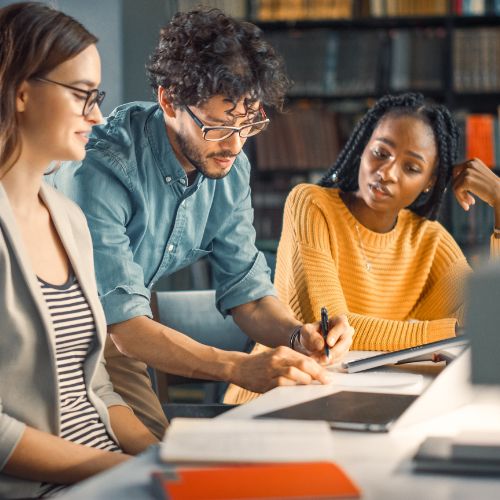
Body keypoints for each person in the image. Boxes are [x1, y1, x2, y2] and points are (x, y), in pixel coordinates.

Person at [50, 7, 354, 439]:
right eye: (216, 127)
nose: (234, 145)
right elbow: (125, 330)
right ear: (169, 99)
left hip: (121, 329)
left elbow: (248, 297)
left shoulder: (230, 166)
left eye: (248, 124)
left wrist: (296, 336)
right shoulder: (102, 168)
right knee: (148, 459)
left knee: (161, 452)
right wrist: (240, 368)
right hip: (65, 336)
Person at [225, 92, 500, 404]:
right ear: (363, 145)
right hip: (278, 397)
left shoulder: (430, 240)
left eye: (411, 168)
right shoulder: (311, 205)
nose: (387, 173)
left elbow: (490, 322)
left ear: (429, 181)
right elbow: (330, 334)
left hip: (363, 399)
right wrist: (452, 331)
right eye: (381, 152)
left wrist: (499, 202)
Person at [0, 3, 158, 498]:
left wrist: (164, 454)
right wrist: (121, 471)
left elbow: (96, 387)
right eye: (81, 95)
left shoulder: (69, 218)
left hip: (109, 472)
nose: (97, 114)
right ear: (21, 92)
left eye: (98, 96)